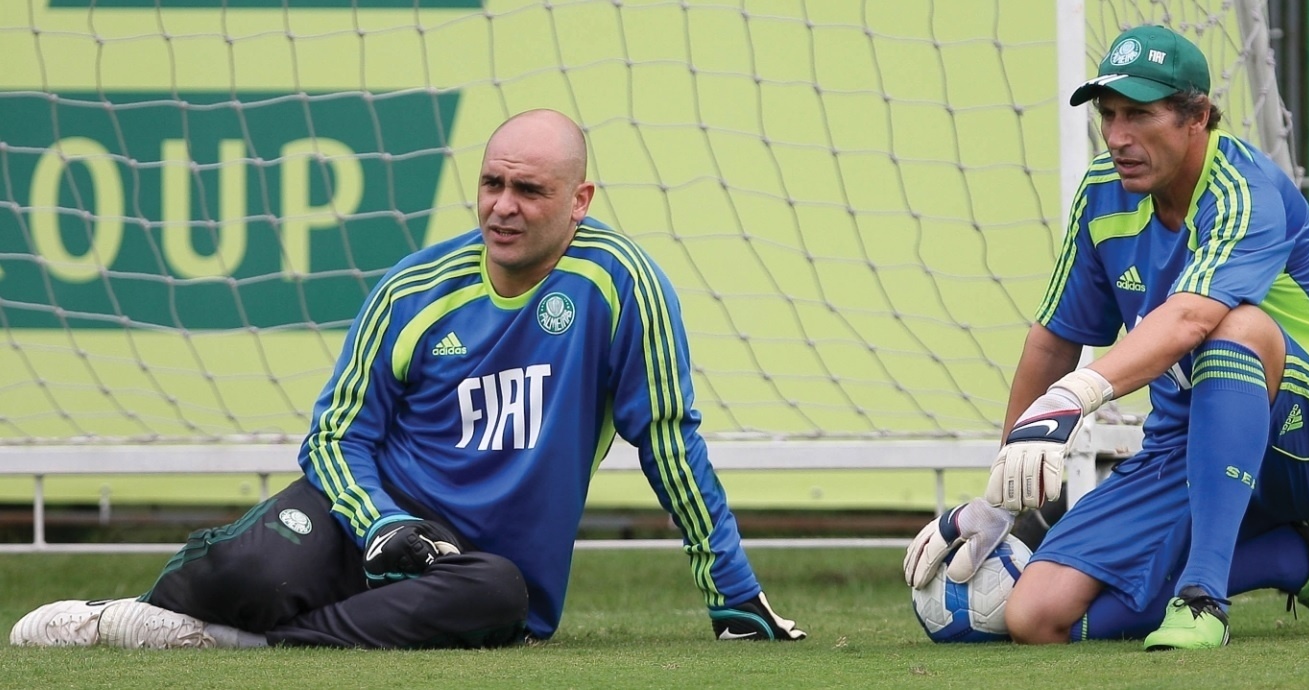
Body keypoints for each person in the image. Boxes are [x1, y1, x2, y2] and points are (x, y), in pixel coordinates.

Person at [9, 109, 806, 650]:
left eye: (529, 190)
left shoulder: (621, 285)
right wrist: (384, 521)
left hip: (476, 566)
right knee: (249, 572)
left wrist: (733, 594)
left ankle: (243, 645)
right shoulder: (415, 288)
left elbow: (667, 438)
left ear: (579, 200)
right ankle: (142, 616)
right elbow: (336, 433)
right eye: (493, 184)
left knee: (504, 603)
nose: (502, 207)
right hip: (370, 521)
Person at [905, 25, 1309, 650]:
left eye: (1139, 114)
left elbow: (1191, 318)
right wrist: (1004, 495)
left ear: (1198, 117)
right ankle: (1298, 554)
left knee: (1235, 328)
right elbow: (1054, 339)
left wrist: (1077, 396)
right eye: (1108, 116)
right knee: (1037, 617)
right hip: (1189, 438)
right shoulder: (1103, 194)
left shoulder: (1246, 187)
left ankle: (1204, 597)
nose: (1116, 137)